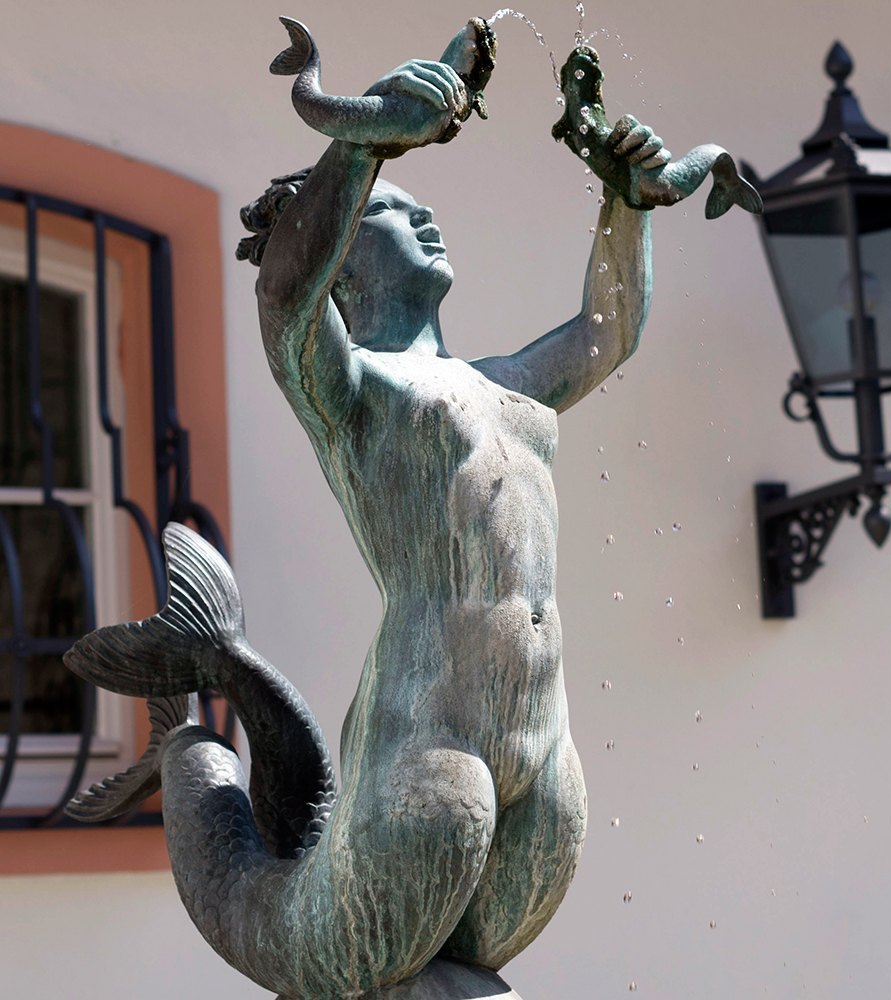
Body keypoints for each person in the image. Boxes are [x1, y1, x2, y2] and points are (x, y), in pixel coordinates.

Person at [65, 19, 669, 999]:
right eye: (395, 206)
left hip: (540, 746)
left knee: (471, 984)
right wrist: (360, 149)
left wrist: (628, 207)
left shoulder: (504, 380)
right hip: (428, 743)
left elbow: (611, 329)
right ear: (339, 245)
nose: (425, 220)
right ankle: (187, 745)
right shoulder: (350, 388)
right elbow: (284, 300)